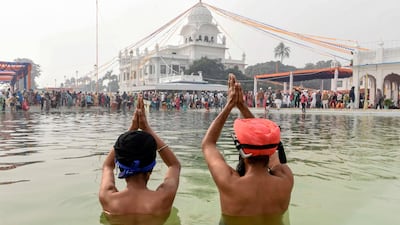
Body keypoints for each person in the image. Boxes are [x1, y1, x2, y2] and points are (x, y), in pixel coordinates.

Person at [201, 74, 293, 219]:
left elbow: (208, 144)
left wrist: (230, 105)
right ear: (270, 151)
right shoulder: (285, 179)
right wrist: (242, 107)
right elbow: (264, 139)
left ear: (243, 151)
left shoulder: (230, 183)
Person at [99, 96, 181, 218]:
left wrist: (131, 129)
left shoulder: (108, 199)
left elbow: (107, 166)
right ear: (152, 167)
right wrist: (146, 128)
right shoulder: (163, 198)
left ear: (120, 166)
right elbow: (174, 165)